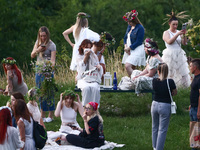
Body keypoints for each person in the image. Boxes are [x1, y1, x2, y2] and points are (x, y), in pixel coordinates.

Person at [31, 26, 56, 123]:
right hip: (39, 69)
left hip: (48, 69)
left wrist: (49, 70)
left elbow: (53, 60)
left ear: (47, 35)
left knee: (49, 91)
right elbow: (32, 55)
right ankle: (42, 114)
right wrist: (38, 50)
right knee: (40, 90)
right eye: (41, 36)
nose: (43, 38)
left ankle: (50, 115)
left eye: (44, 36)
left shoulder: (52, 45)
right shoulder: (37, 43)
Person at [151, 63, 177, 150]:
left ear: (158, 71)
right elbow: (174, 92)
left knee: (154, 127)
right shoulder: (170, 82)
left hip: (154, 104)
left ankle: (154, 147)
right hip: (165, 105)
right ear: (167, 72)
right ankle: (159, 148)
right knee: (162, 130)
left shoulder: (154, 81)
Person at [162, 10, 190, 87]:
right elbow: (169, 41)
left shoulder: (178, 32)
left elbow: (184, 43)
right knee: (170, 72)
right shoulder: (166, 32)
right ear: (169, 24)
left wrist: (184, 35)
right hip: (170, 53)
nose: (175, 26)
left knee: (182, 72)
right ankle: (169, 86)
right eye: (173, 24)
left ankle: (183, 87)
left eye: (176, 24)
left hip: (179, 53)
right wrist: (177, 34)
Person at [76, 39, 103, 106]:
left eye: (89, 47)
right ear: (82, 47)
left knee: (95, 88)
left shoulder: (93, 56)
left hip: (92, 77)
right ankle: (86, 107)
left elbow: (97, 65)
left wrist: (99, 67)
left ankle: (94, 107)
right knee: (86, 88)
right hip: (83, 78)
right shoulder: (79, 56)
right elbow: (81, 69)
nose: (88, 49)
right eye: (86, 47)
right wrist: (86, 56)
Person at [122, 9, 146, 76]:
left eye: (130, 22)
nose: (129, 23)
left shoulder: (140, 28)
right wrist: (126, 46)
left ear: (134, 20)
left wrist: (129, 48)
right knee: (132, 68)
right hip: (128, 49)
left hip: (136, 49)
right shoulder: (129, 26)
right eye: (128, 22)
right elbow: (125, 38)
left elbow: (139, 41)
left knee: (128, 66)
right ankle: (133, 82)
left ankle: (137, 78)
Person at [189, 59, 200, 150]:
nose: (190, 68)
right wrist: (191, 104)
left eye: (191, 66)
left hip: (197, 109)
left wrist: (199, 110)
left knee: (198, 130)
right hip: (193, 107)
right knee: (193, 130)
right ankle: (194, 147)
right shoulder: (195, 77)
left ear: (195, 67)